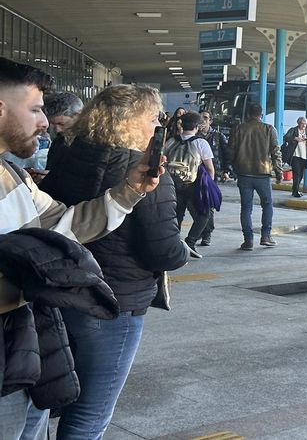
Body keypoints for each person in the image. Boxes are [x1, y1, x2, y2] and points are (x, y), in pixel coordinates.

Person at [0, 57, 161, 440]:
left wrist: (131, 191)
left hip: (25, 341)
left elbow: (63, 223)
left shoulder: (14, 175)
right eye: (36, 109)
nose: (45, 122)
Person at [38, 84, 189, 440]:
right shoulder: (146, 173)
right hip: (114, 302)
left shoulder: (69, 156)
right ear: (132, 122)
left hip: (60, 292)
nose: (158, 125)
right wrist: (183, 252)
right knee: (91, 412)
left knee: (50, 398)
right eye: (153, 118)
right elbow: (163, 249)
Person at [227, 103, 281, 251]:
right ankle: (266, 236)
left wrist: (230, 167)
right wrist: (279, 171)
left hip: (244, 173)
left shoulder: (238, 129)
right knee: (267, 205)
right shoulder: (269, 129)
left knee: (246, 208)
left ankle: (248, 240)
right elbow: (276, 151)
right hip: (263, 174)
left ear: (248, 114)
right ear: (261, 114)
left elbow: (230, 151)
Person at [165, 112, 216, 257]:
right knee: (204, 214)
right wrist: (207, 187)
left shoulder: (171, 141)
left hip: (173, 184)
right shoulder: (200, 143)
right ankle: (190, 242)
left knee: (177, 215)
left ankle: (175, 244)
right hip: (194, 185)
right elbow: (210, 169)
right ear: (196, 126)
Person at [195, 110, 230, 247]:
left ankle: (207, 233)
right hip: (195, 174)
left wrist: (226, 170)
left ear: (210, 121)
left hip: (211, 174)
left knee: (209, 204)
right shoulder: (194, 136)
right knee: (196, 204)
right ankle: (200, 230)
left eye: (205, 118)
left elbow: (225, 154)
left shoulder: (218, 136)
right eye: (200, 118)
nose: (203, 120)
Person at [282, 116, 307, 198]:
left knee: (300, 174)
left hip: (305, 156)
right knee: (296, 173)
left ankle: (295, 190)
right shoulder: (293, 130)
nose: (304, 125)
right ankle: (295, 191)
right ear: (298, 123)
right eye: (302, 124)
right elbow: (286, 137)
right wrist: (295, 138)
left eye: (305, 124)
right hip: (295, 155)